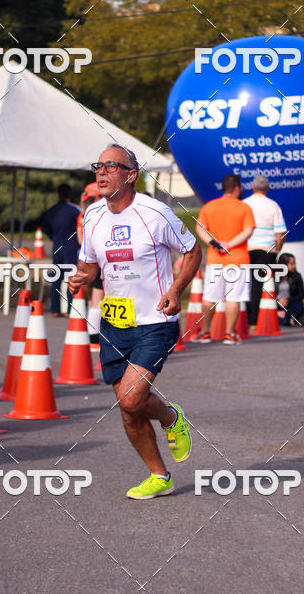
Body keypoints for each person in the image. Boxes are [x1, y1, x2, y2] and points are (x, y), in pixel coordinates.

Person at [68, 143, 201, 500]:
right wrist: (83, 276)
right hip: (114, 322)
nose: (101, 171)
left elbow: (192, 250)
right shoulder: (92, 216)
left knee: (130, 398)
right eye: (98, 165)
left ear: (131, 175)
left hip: (155, 320)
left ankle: (171, 418)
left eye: (111, 166)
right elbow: (92, 263)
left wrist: (176, 289)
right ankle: (160, 475)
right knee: (129, 410)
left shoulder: (154, 213)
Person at [194, 174, 255, 343]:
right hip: (238, 259)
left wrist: (215, 244)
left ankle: (205, 332)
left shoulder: (209, 206)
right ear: (237, 188)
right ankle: (229, 334)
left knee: (209, 297)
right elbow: (248, 230)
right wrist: (229, 244)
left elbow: (200, 229)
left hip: (215, 260)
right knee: (233, 298)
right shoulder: (244, 208)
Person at [243, 176, 287, 325]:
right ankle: (259, 319)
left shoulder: (244, 204)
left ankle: (246, 318)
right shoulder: (273, 205)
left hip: (246, 249)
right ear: (267, 189)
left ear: (253, 188)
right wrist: (278, 249)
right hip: (267, 250)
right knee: (262, 285)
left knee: (245, 283)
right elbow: (280, 232)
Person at [42, 183, 81, 315]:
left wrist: (54, 237)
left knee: (56, 278)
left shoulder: (51, 211)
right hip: (72, 246)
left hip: (57, 245)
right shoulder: (75, 210)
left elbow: (45, 227)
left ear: (58, 194)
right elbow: (81, 225)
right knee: (71, 277)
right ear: (70, 194)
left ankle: (55, 309)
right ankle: (70, 308)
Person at [77, 182, 104, 350]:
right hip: (100, 259)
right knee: (99, 298)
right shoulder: (99, 213)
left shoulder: (82, 215)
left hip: (87, 259)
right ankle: (95, 338)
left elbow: (81, 241)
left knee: (95, 299)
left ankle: (93, 337)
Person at [276, 252, 304, 326]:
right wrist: (278, 302)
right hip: (276, 305)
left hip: (290, 305)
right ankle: (288, 320)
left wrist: (288, 300)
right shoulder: (274, 276)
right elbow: (267, 295)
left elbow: (301, 294)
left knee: (299, 305)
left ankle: (285, 319)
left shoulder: (297, 276)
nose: (294, 266)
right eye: (291, 264)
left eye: (294, 263)